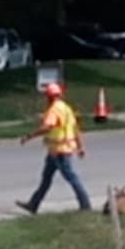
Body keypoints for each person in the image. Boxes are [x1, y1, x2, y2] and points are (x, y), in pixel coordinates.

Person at [15, 81, 93, 214]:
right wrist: (80, 147)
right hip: (57, 151)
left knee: (71, 178)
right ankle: (33, 205)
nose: (46, 99)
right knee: (46, 178)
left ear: (50, 97)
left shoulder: (54, 110)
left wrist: (29, 136)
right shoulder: (66, 108)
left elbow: (47, 127)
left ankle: (85, 204)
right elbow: (75, 129)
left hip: (60, 151)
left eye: (47, 96)